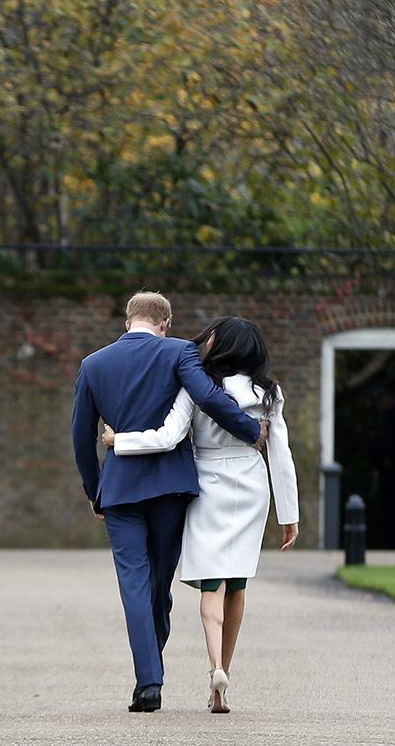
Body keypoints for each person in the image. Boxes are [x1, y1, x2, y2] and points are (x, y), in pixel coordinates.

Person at [71, 292, 270, 714]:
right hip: (170, 488)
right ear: (166, 321)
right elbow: (210, 400)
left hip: (120, 489)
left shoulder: (93, 365)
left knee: (134, 584)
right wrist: (250, 431)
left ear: (128, 321)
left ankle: (149, 680)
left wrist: (95, 491)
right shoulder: (179, 351)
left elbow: (80, 437)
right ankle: (151, 672)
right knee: (159, 583)